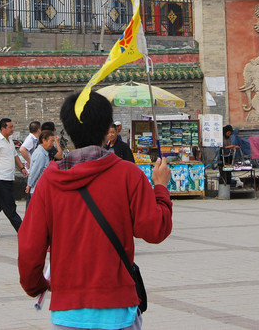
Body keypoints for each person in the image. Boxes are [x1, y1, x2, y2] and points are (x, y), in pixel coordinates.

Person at [18, 90, 173, 329]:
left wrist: (36, 285)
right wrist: (161, 188)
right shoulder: (129, 175)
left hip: (68, 311)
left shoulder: (49, 181)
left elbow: (29, 246)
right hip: (118, 308)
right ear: (106, 130)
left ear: (68, 131)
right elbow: (154, 230)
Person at [27, 130, 55, 195]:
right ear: (44, 140)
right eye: (51, 141)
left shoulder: (43, 152)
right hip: (38, 189)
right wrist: (29, 185)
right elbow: (35, 171)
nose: (52, 144)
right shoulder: (40, 154)